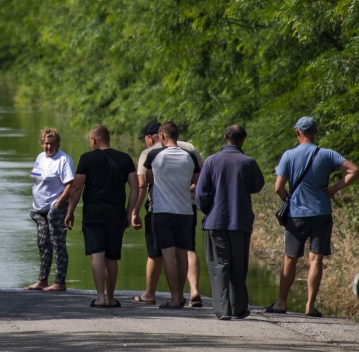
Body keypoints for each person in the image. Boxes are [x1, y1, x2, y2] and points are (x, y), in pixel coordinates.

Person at [266, 116, 358, 317]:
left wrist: (287, 200)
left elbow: (278, 188)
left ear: (297, 132)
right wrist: (335, 188)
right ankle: (309, 306)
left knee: (290, 258)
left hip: (296, 214)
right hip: (322, 213)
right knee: (316, 259)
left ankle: (281, 303)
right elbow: (354, 170)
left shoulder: (289, 155)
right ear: (315, 132)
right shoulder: (327, 154)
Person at [65, 125, 139, 307]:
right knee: (112, 257)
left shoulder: (87, 159)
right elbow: (135, 187)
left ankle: (100, 297)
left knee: (97, 254)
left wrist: (70, 211)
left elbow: (76, 188)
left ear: (95, 140)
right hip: (116, 215)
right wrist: (130, 212)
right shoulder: (125, 159)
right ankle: (111, 298)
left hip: (93, 215)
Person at [131, 121, 204, 306]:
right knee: (183, 253)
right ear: (177, 136)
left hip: (162, 211)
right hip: (185, 211)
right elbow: (198, 181)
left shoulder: (154, 154)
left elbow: (147, 180)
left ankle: (174, 298)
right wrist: (184, 189)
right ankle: (181, 294)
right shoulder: (190, 156)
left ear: (161, 136)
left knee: (167, 255)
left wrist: (134, 210)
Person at [195, 125, 264, 320]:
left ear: (225, 137)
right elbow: (258, 186)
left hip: (215, 222)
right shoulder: (248, 162)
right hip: (240, 221)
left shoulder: (211, 161)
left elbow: (201, 194)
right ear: (243, 140)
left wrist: (209, 211)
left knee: (218, 266)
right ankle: (239, 308)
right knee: (238, 266)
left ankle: (223, 310)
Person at [24, 128, 75, 291]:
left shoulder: (64, 160)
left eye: (52, 143)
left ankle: (60, 282)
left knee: (57, 244)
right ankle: (42, 280)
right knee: (42, 243)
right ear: (42, 144)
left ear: (58, 143)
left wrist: (59, 205)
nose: (49, 147)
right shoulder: (40, 158)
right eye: (46, 143)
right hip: (39, 209)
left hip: (55, 209)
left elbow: (70, 185)